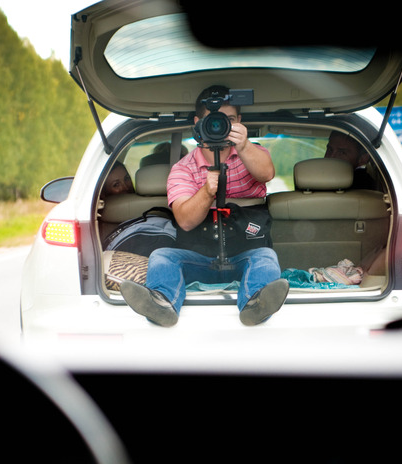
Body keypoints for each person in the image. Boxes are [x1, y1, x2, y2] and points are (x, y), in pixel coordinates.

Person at [119, 85, 289, 327]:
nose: (220, 126)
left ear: (239, 121)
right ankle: (162, 303)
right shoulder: (182, 169)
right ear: (198, 123)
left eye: (229, 120)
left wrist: (243, 146)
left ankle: (255, 304)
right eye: (213, 121)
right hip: (198, 258)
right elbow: (185, 220)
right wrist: (208, 191)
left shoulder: (252, 153)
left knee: (266, 257)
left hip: (246, 255)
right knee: (162, 257)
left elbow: (267, 173)